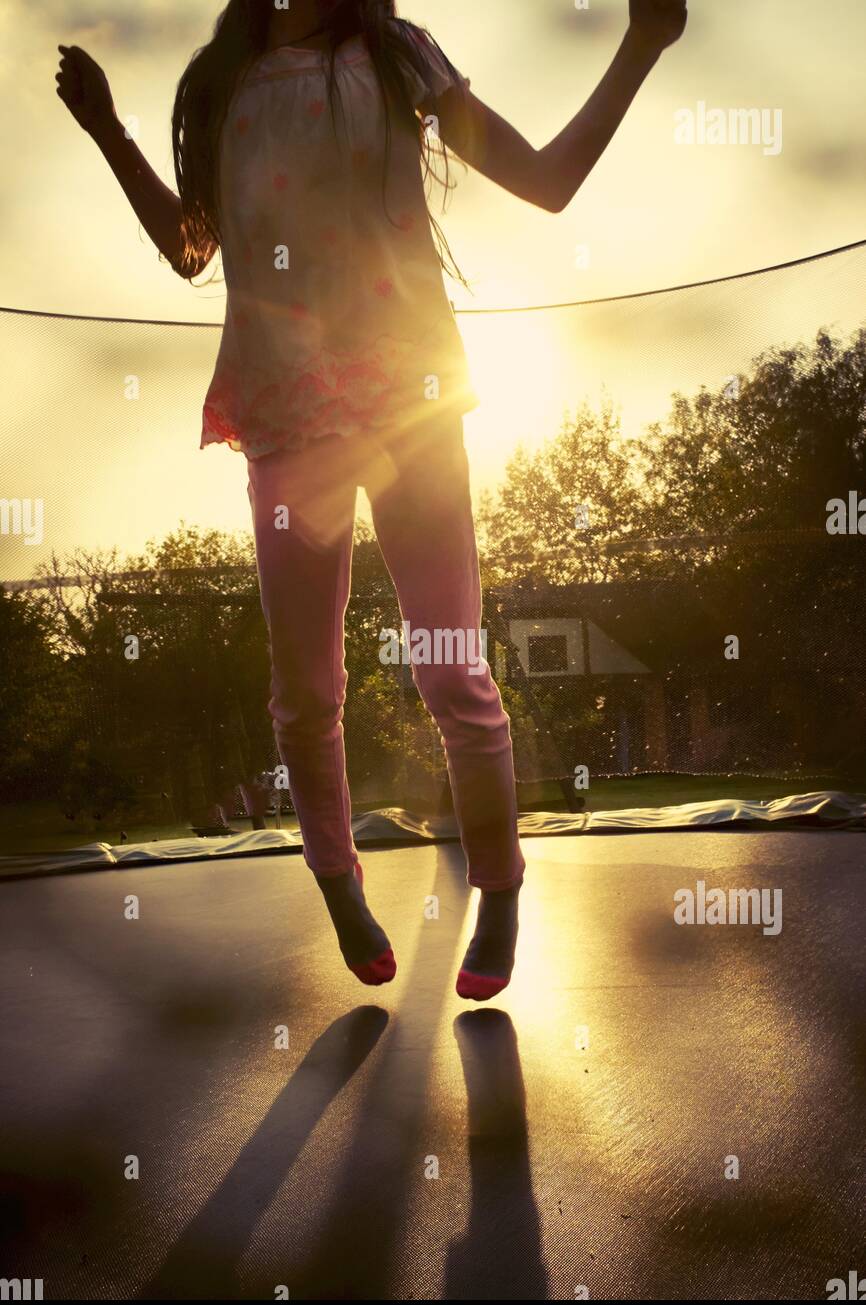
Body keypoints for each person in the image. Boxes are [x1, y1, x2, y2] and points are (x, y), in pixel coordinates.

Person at [56, 0, 687, 999]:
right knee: (306, 690)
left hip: (410, 397)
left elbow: (546, 183)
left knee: (450, 668)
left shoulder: (394, 54)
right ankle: (336, 877)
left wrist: (638, 49)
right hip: (285, 409)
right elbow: (191, 247)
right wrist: (108, 132)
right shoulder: (224, 78)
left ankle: (502, 883)